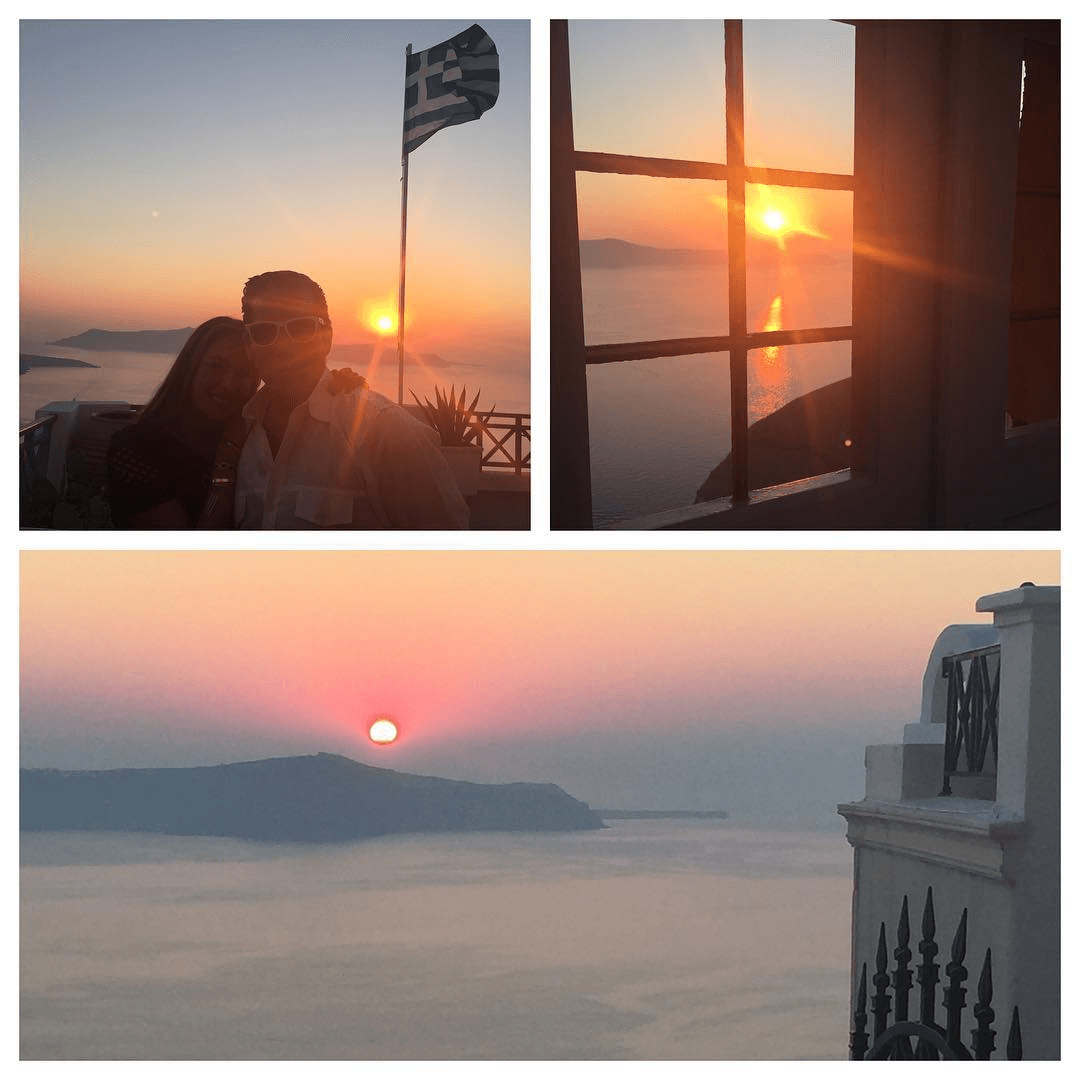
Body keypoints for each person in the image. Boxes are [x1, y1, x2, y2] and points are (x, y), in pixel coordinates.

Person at [235, 270, 469, 529]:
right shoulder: (235, 434)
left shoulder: (389, 434)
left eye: (301, 328)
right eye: (265, 332)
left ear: (327, 338)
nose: (284, 345)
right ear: (248, 344)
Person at [107, 317, 257, 528]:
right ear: (191, 367)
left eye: (244, 372)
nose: (228, 384)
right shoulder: (138, 447)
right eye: (216, 366)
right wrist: (227, 462)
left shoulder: (256, 441)